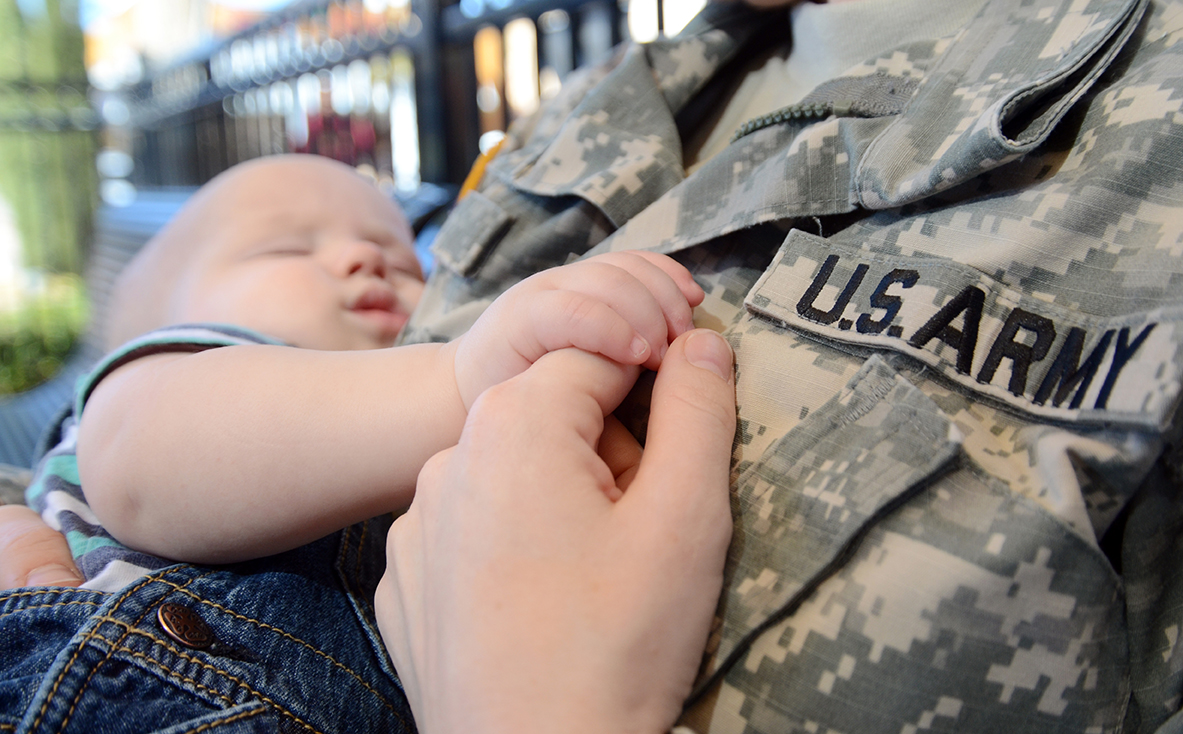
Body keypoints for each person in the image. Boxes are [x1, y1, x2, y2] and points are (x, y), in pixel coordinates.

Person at [10, 0, 1183, 730]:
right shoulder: (185, 383)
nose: (370, 269)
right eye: (286, 248)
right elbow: (135, 459)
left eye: (387, 250)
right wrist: (453, 381)